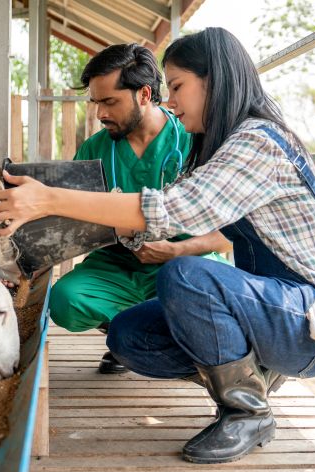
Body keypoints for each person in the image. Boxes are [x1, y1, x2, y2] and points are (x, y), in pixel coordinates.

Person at [0, 27, 315, 464]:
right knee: (130, 336)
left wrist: (49, 198)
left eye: (180, 87)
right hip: (266, 306)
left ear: (216, 81)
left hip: (313, 319)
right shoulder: (219, 146)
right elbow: (156, 220)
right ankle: (251, 373)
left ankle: (247, 411)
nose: (172, 101)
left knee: (185, 275)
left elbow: (175, 211)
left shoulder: (258, 142)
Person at [47, 43, 231, 374]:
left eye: (110, 102)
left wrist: (177, 251)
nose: (100, 114)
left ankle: (157, 339)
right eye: (96, 103)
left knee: (199, 288)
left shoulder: (193, 141)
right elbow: (70, 223)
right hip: (116, 263)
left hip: (186, 261)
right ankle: (130, 333)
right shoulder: (94, 149)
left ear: (144, 94)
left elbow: (231, 236)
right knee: (64, 300)